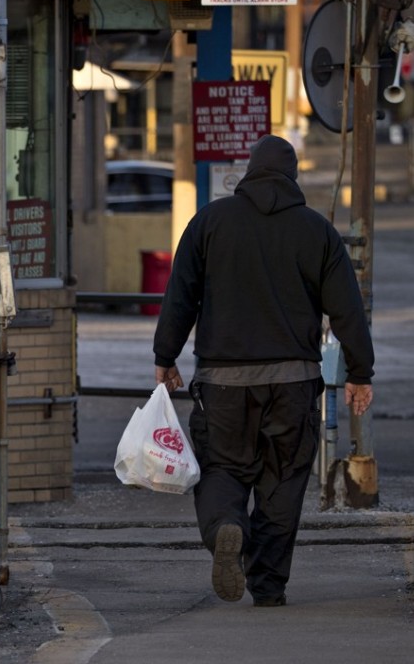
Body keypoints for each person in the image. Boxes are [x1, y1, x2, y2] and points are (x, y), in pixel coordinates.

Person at [152, 134, 374, 607]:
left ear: (249, 172)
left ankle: (226, 527)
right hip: (293, 382)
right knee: (284, 480)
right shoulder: (316, 231)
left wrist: (165, 356)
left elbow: (181, 293)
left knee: (221, 471)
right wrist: (360, 372)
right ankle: (268, 586)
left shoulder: (210, 221)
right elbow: (346, 309)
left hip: (223, 382)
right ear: (292, 177)